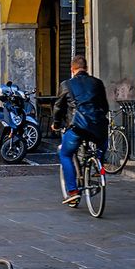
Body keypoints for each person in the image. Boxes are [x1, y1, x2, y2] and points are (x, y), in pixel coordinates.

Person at [51, 56, 110, 206]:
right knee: (102, 143)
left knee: (65, 154)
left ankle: (73, 192)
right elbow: (105, 107)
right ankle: (99, 163)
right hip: (98, 126)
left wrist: (56, 124)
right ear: (87, 68)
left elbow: (58, 107)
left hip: (78, 127)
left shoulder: (66, 85)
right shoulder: (97, 83)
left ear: (72, 69)